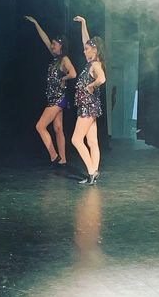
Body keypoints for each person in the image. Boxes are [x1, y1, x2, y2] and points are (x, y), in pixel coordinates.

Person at [24, 15, 77, 165]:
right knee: (58, 128)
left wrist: (63, 79)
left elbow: (73, 73)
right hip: (54, 97)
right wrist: (36, 24)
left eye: (54, 44)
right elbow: (45, 39)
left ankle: (54, 156)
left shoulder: (64, 59)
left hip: (57, 99)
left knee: (40, 126)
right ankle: (63, 159)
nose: (52, 46)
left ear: (61, 45)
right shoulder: (55, 57)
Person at [70, 15, 106, 185]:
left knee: (76, 140)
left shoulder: (95, 65)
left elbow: (102, 79)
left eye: (86, 49)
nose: (84, 51)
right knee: (92, 141)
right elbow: (86, 40)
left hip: (87, 107)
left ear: (94, 50)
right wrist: (84, 23)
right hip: (90, 106)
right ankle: (94, 172)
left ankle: (92, 171)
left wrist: (91, 86)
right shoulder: (92, 62)